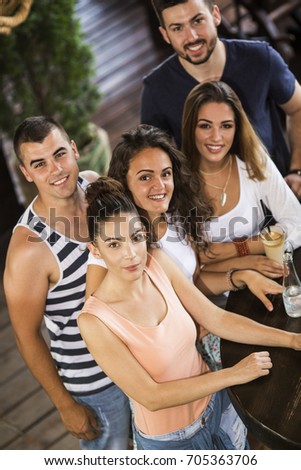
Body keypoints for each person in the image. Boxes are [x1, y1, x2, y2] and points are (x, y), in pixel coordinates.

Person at [77, 176, 301, 450]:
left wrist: (291, 340)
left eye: (135, 238)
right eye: (114, 244)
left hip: (219, 409)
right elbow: (151, 396)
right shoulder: (93, 321)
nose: (131, 254)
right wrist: (233, 374)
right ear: (95, 250)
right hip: (172, 441)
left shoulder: (155, 261)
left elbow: (216, 318)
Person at [85, 124, 284, 370]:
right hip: (169, 362)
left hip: (206, 326)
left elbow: (192, 281)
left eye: (165, 174)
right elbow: (104, 323)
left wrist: (241, 276)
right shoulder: (112, 247)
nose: (160, 185)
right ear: (124, 183)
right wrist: (185, 324)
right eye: (145, 177)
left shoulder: (175, 218)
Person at [3, 116, 131, 450]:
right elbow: (25, 335)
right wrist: (64, 404)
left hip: (140, 354)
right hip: (97, 383)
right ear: (26, 173)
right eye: (40, 164)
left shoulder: (94, 186)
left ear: (74, 150)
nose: (56, 169)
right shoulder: (29, 249)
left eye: (60, 154)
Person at [141, 0, 301, 198]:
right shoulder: (156, 90)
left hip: (280, 192)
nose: (191, 37)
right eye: (177, 28)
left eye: (197, 21)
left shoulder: (260, 58)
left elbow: (298, 107)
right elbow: (152, 159)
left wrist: (297, 170)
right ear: (165, 34)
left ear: (215, 15)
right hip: (214, 213)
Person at [181, 80, 301, 275]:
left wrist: (236, 249)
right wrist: (248, 262)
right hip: (207, 296)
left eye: (226, 126)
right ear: (190, 128)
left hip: (260, 276)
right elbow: (192, 267)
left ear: (237, 128)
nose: (216, 137)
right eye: (205, 126)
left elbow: (297, 224)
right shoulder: (176, 179)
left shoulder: (253, 162)